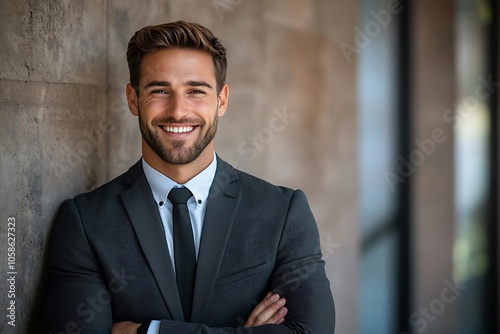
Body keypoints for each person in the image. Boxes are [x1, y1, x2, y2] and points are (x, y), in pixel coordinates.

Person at [43, 21, 335, 334]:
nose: (178, 111)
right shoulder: (85, 221)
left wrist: (149, 331)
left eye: (195, 91)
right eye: (159, 90)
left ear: (221, 101)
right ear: (132, 99)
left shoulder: (283, 213)